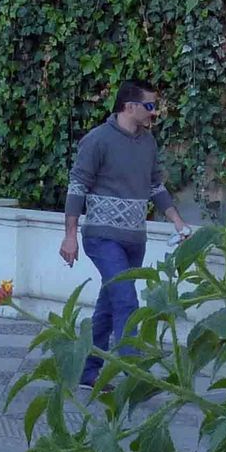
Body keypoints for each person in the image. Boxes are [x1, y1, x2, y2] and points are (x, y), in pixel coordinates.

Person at [60, 80, 188, 390]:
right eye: (150, 106)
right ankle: (135, 375)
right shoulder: (97, 140)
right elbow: (77, 186)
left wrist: (177, 222)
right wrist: (70, 235)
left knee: (109, 304)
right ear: (129, 106)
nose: (154, 112)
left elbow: (155, 185)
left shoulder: (148, 142)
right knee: (126, 299)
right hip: (102, 237)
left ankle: (87, 371)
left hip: (134, 240)